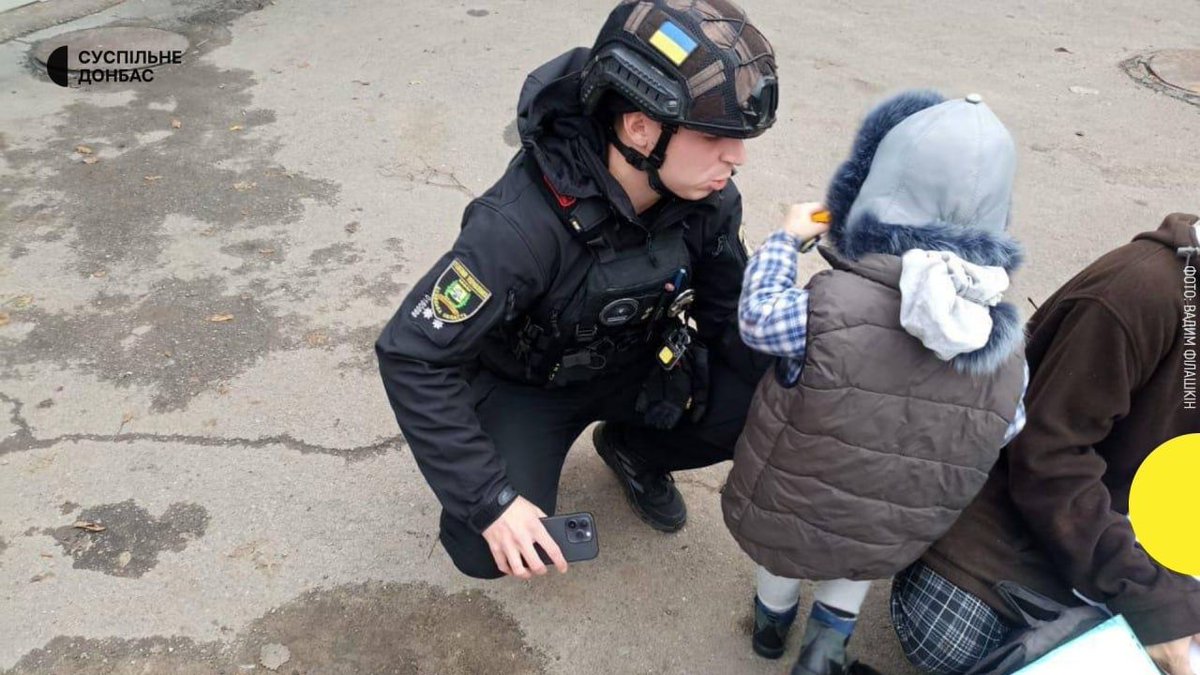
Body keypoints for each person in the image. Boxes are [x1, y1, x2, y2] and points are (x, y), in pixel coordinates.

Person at [375, 0, 779, 581]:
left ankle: (635, 451)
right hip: (530, 387)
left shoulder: (709, 199)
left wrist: (809, 368)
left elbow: (729, 318)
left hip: (642, 362)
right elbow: (410, 353)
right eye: (717, 137)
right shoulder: (516, 227)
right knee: (481, 543)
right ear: (640, 127)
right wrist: (493, 502)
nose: (736, 157)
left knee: (769, 403)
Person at [721, 90, 1029, 675]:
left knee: (784, 555)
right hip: (895, 517)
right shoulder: (1005, 347)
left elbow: (758, 317)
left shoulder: (828, 305)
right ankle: (824, 651)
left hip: (797, 496)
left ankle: (770, 627)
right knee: (856, 562)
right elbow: (1007, 426)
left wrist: (786, 240)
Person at [893, 212, 1200, 675]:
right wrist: (1150, 599)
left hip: (1132, 534)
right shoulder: (1141, 292)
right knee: (945, 640)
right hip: (1001, 550)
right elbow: (1048, 457)